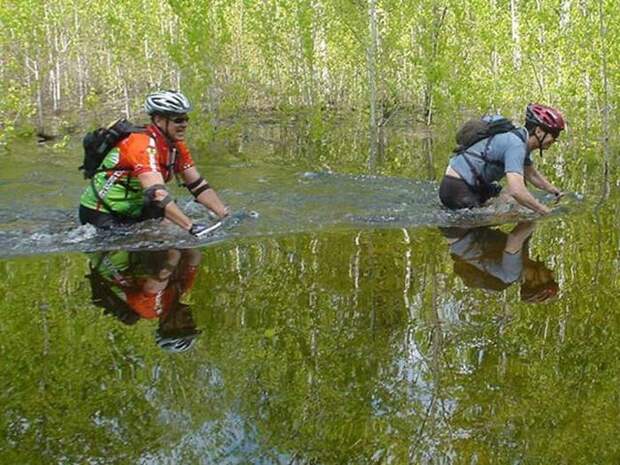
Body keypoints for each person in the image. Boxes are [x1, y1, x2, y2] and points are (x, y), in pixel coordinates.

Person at [79, 90, 228, 237]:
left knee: (176, 240)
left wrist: (224, 215)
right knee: (162, 246)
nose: (184, 124)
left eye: (186, 119)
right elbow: (156, 193)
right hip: (101, 212)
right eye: (178, 120)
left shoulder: (175, 146)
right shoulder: (141, 143)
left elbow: (197, 184)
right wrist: (191, 227)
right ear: (158, 120)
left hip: (135, 208)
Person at [439, 103, 566, 215]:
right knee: (515, 202)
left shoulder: (521, 141)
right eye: (553, 134)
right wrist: (544, 211)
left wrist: (554, 191)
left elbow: (532, 175)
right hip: (458, 189)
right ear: (538, 131)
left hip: (466, 183)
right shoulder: (516, 145)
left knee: (511, 199)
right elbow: (517, 191)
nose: (554, 140)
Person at [87, 248, 203, 352]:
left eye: (185, 326)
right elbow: (195, 256)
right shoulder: (179, 290)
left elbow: (161, 275)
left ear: (167, 326)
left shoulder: (151, 309)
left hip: (112, 259)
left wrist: (174, 249)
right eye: (192, 326)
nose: (190, 321)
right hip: (134, 253)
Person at [440, 221, 559, 303]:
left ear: (533, 283)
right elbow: (525, 223)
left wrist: (538, 216)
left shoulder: (512, 273)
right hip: (473, 227)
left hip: (457, 230)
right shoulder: (524, 257)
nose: (552, 273)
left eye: (549, 280)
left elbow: (515, 238)